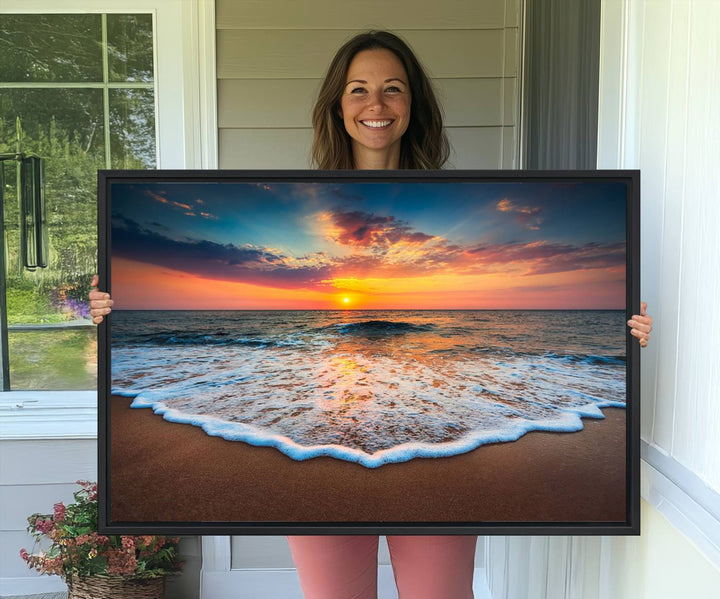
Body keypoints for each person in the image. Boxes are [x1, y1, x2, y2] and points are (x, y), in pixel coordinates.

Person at [90, 30, 653, 599]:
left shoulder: (461, 201)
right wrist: (112, 308)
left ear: (413, 105)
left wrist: (624, 331)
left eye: (392, 89)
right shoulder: (306, 199)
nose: (376, 105)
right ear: (338, 105)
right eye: (358, 90)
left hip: (438, 425)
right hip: (314, 426)